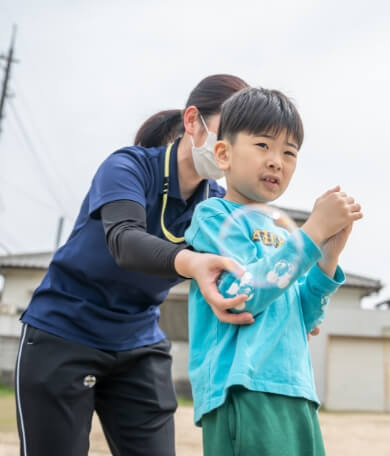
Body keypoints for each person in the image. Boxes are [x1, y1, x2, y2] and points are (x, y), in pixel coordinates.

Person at [14, 74, 256, 456]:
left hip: (138, 343)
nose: (231, 148)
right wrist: (191, 262)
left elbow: (248, 267)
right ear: (192, 121)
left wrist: (295, 299)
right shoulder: (128, 167)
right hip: (63, 334)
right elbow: (124, 240)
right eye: (227, 131)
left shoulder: (216, 203)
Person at [184, 87, 363, 455]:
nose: (276, 161)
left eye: (289, 152)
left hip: (296, 388)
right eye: (263, 145)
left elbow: (307, 316)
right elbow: (242, 296)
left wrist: (327, 255)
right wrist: (313, 233)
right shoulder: (215, 217)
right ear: (223, 153)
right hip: (243, 387)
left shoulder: (286, 234)